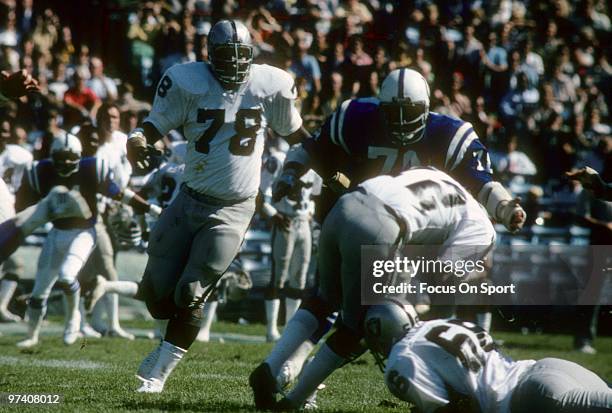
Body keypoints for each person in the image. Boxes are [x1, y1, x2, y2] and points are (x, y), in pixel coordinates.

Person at [251, 68, 525, 405]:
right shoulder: (361, 118)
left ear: (425, 108)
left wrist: (291, 173)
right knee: (359, 322)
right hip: (387, 228)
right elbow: (314, 147)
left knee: (325, 298)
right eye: (391, 112)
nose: (399, 121)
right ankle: (298, 397)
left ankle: (276, 365)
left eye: (407, 112)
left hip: (349, 208)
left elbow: (480, 181)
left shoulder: (446, 134)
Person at [125, 19, 308, 393]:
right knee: (156, 294)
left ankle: (158, 374)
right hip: (189, 198)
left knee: (190, 293)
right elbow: (153, 126)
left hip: (233, 207)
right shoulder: (187, 80)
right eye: (228, 55)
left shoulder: (267, 84)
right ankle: (164, 343)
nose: (236, 64)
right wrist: (137, 139)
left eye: (243, 56)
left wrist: (321, 164)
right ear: (210, 55)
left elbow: (298, 136)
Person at [253, 167, 496, 410]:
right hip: (381, 226)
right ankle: (294, 401)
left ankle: (270, 367)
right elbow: (443, 284)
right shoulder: (482, 229)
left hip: (345, 205)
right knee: (358, 326)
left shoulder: (441, 177)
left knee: (323, 301)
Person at [14, 133, 159, 349]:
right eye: (60, 157)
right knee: (39, 289)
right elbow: (21, 207)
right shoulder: (40, 172)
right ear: (52, 156)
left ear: (78, 156)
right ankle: (33, 336)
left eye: (69, 157)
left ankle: (73, 320)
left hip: (84, 232)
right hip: (56, 232)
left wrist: (149, 208)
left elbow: (121, 194)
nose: (64, 162)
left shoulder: (91, 169)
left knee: (66, 276)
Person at [364, 302, 612, 413]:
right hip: (549, 368)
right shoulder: (439, 322)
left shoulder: (402, 356)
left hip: (530, 397)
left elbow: (450, 412)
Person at [260, 143, 320, 342]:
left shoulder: (317, 162)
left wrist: (310, 212)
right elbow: (261, 192)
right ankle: (270, 329)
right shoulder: (277, 159)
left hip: (303, 223)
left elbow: (314, 196)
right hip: (284, 219)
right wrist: (272, 214)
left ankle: (289, 328)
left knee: (300, 277)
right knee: (279, 276)